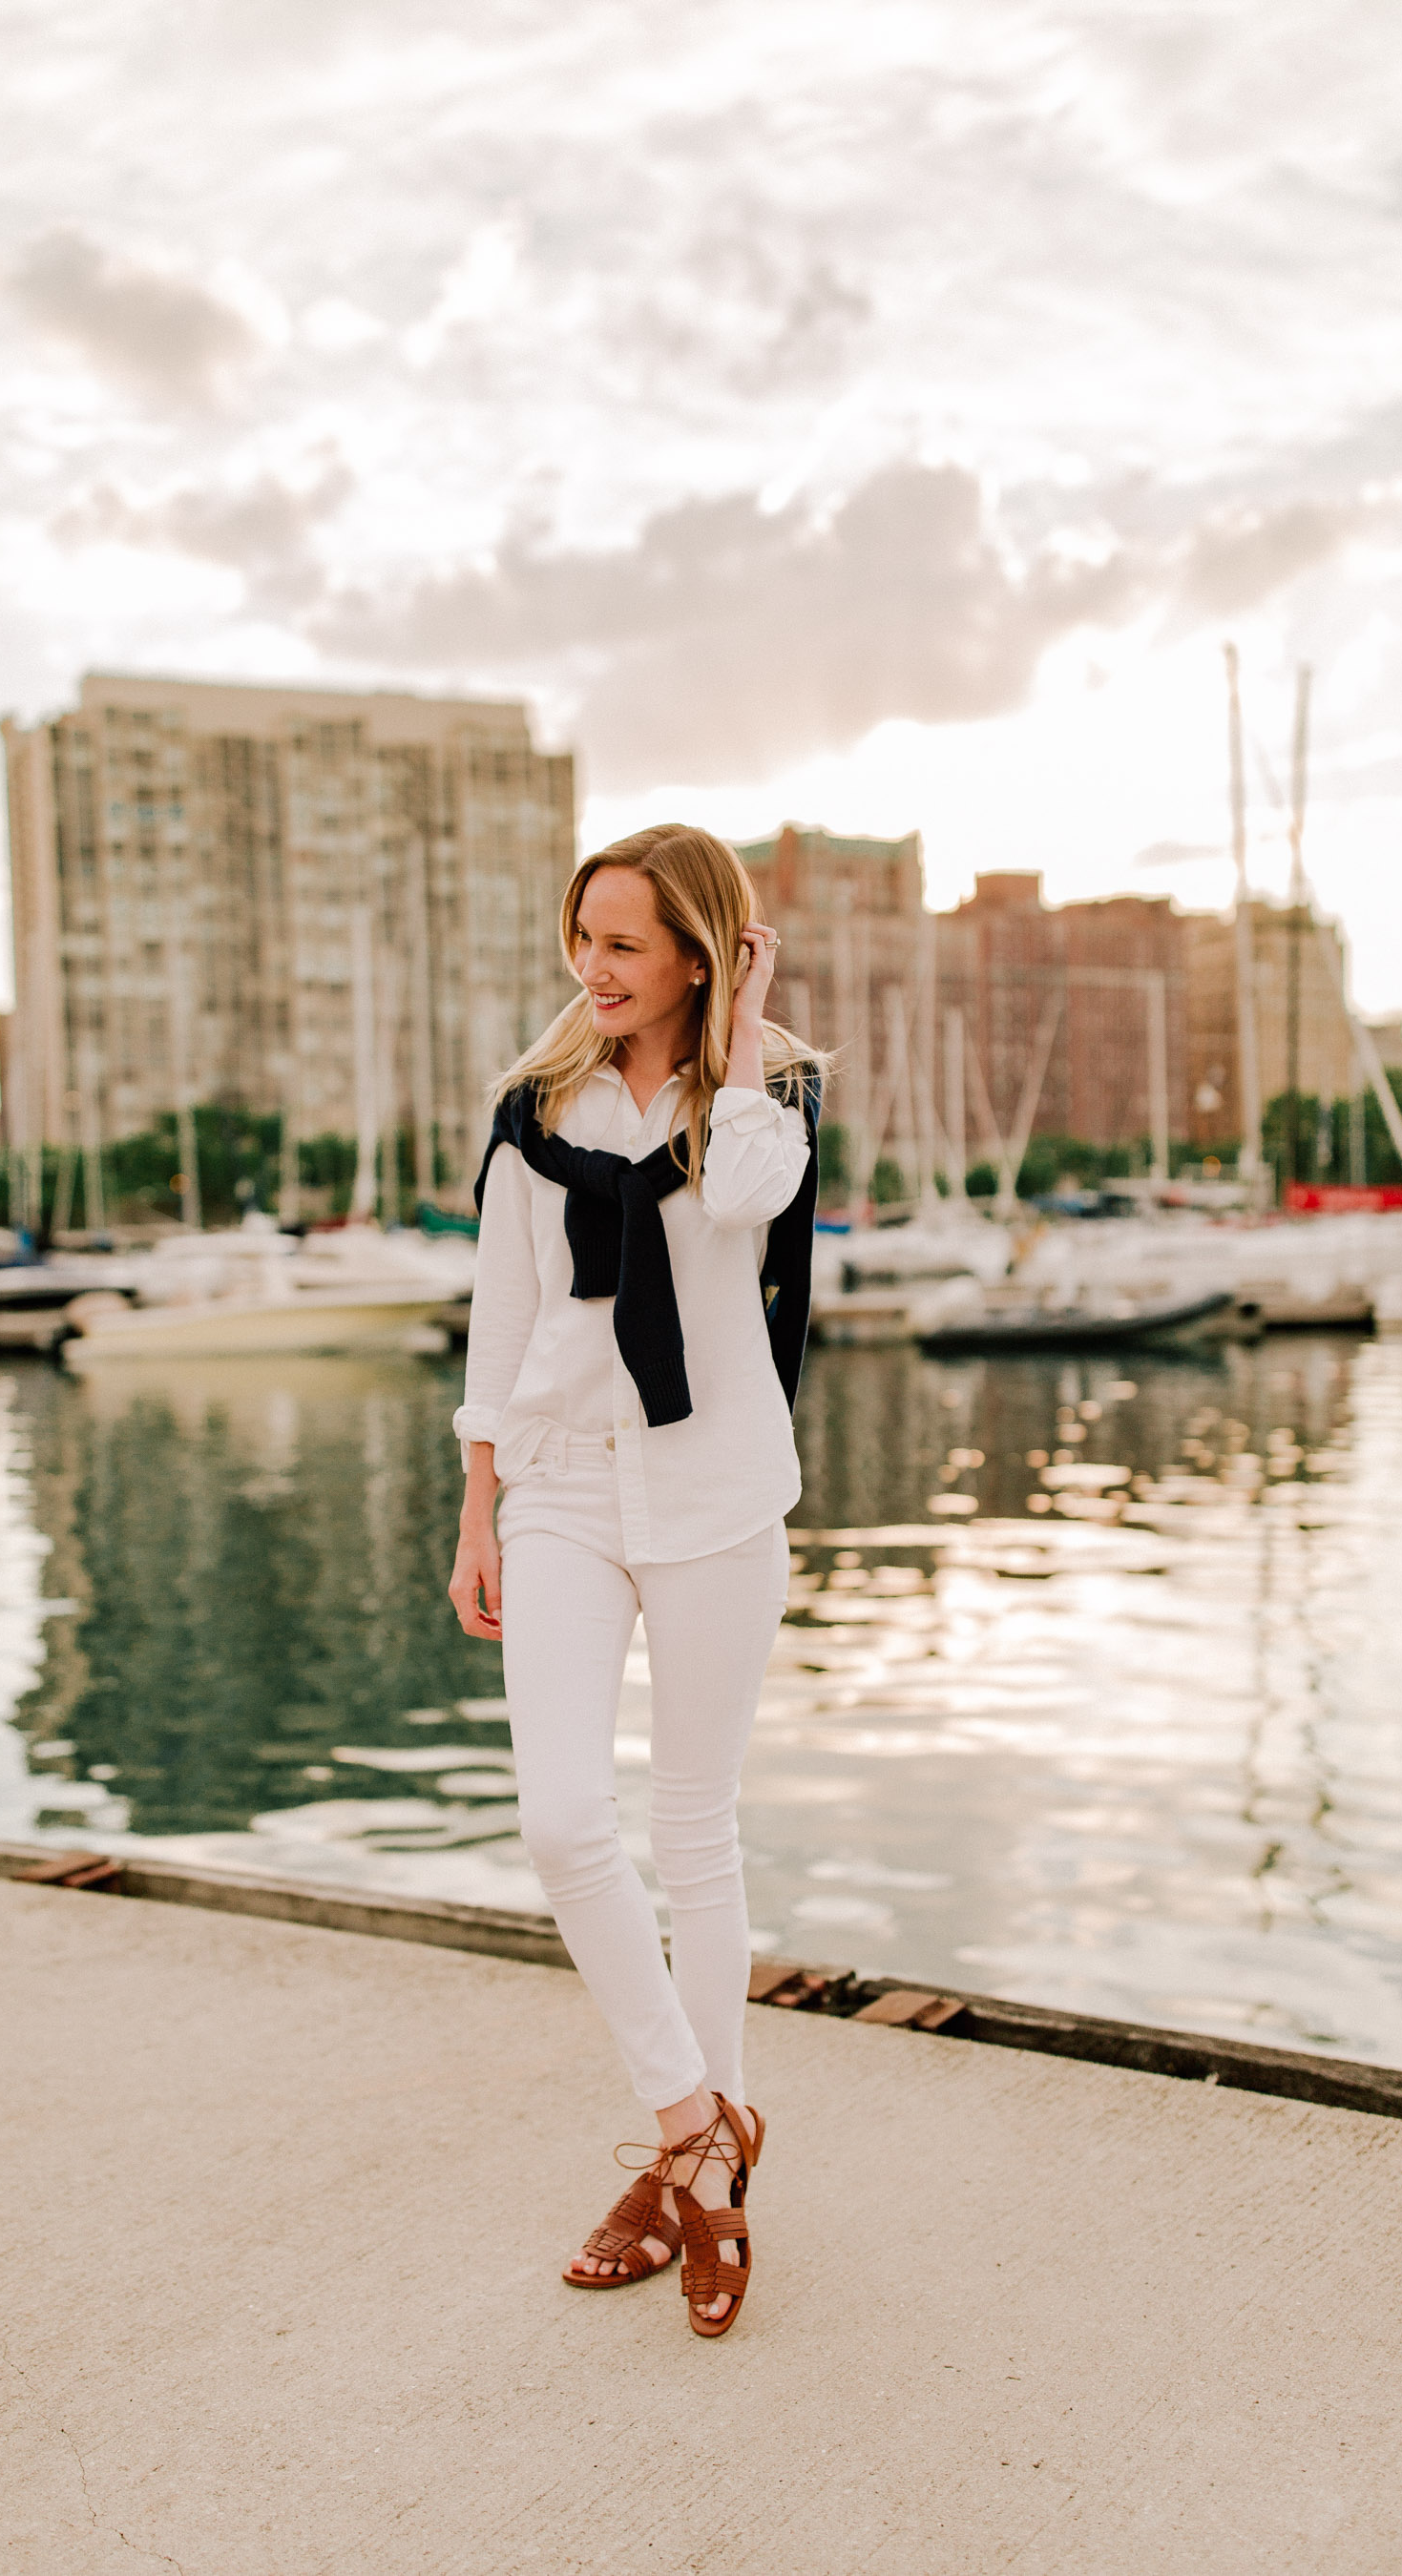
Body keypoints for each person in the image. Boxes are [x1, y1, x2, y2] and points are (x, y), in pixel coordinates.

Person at [449, 822, 824, 2339]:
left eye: (622, 944)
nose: (590, 969)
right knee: (559, 1820)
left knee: (694, 1827)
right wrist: (477, 1504)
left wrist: (736, 1033)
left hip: (719, 1489)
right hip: (561, 1487)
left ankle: (708, 2181)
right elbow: (501, 1315)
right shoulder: (535, 1113)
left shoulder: (765, 1109)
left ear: (692, 955)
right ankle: (694, 2129)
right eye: (580, 938)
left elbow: (742, 1203)